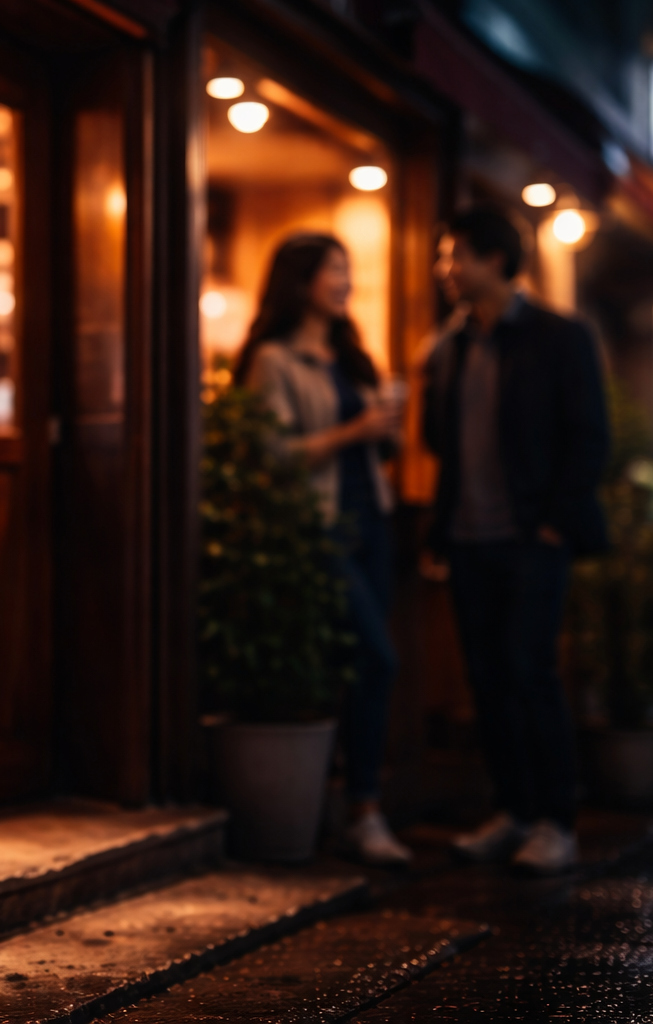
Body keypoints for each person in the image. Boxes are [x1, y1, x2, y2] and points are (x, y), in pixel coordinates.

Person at [424, 208, 610, 875]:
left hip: (533, 538)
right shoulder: (450, 346)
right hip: (470, 539)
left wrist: (554, 521)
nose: (446, 270)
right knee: (487, 678)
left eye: (457, 256)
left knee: (530, 673)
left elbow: (590, 436)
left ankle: (557, 821)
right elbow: (436, 440)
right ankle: (512, 810)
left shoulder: (560, 337)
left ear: (496, 262)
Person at [237, 233, 410, 867]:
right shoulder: (273, 360)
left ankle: (354, 807)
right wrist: (355, 429)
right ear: (301, 279)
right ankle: (361, 808)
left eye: (347, 269)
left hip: (375, 524)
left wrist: (385, 431)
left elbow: (375, 449)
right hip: (320, 530)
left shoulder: (348, 356)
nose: (346, 281)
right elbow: (270, 452)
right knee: (377, 658)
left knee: (366, 669)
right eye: (335, 269)